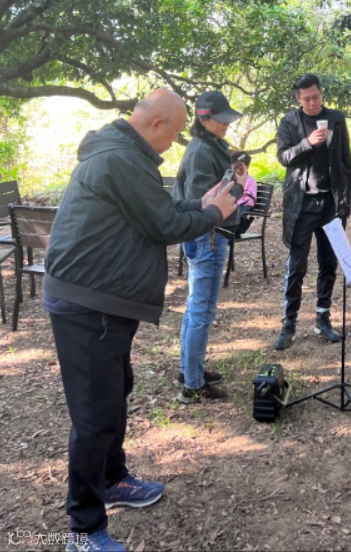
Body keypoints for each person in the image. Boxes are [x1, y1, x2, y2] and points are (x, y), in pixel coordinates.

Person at [44, 89, 238, 552]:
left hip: (106, 301)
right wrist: (215, 212)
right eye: (175, 131)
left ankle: (112, 480)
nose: (176, 141)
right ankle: (84, 530)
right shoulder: (120, 159)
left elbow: (159, 211)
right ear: (156, 125)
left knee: (115, 394)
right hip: (88, 304)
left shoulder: (125, 155)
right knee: (94, 416)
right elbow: (165, 226)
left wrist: (201, 204)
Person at [173, 91, 248, 403]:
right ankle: (193, 385)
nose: (226, 124)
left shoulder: (210, 145)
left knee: (196, 307)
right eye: (221, 120)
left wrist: (234, 171)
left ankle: (189, 370)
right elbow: (208, 200)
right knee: (202, 311)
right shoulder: (202, 150)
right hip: (208, 235)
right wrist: (239, 185)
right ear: (203, 120)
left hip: (207, 235)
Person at [273, 73, 351, 350]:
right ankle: (289, 324)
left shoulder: (336, 119)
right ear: (298, 99)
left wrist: (346, 201)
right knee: (297, 265)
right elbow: (283, 157)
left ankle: (323, 318)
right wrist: (307, 143)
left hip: (331, 203)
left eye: (316, 97)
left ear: (321, 94)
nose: (312, 103)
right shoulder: (289, 122)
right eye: (306, 99)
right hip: (302, 204)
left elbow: (346, 161)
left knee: (328, 262)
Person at [231, 152, 257, 233]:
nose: (237, 169)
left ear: (247, 167)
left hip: (243, 206)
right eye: (235, 166)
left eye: (240, 166)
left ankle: (237, 230)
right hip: (231, 205)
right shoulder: (229, 178)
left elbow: (250, 200)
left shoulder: (251, 181)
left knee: (235, 213)